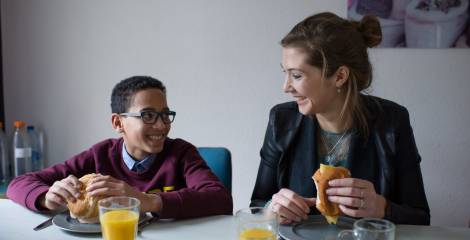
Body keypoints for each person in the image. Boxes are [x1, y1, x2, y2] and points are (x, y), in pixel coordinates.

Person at [250, 12, 430, 225]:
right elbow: (257, 205)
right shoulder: (281, 120)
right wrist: (273, 208)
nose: (286, 87)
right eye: (285, 73)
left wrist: (382, 208)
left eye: (297, 75)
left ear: (339, 76)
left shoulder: (392, 122)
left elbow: (420, 218)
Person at [7, 76, 232, 219]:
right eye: (148, 115)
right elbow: (18, 184)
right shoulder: (99, 155)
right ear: (118, 123)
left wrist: (146, 200)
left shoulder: (182, 154)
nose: (162, 125)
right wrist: (46, 197)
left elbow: (220, 199)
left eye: (165, 115)